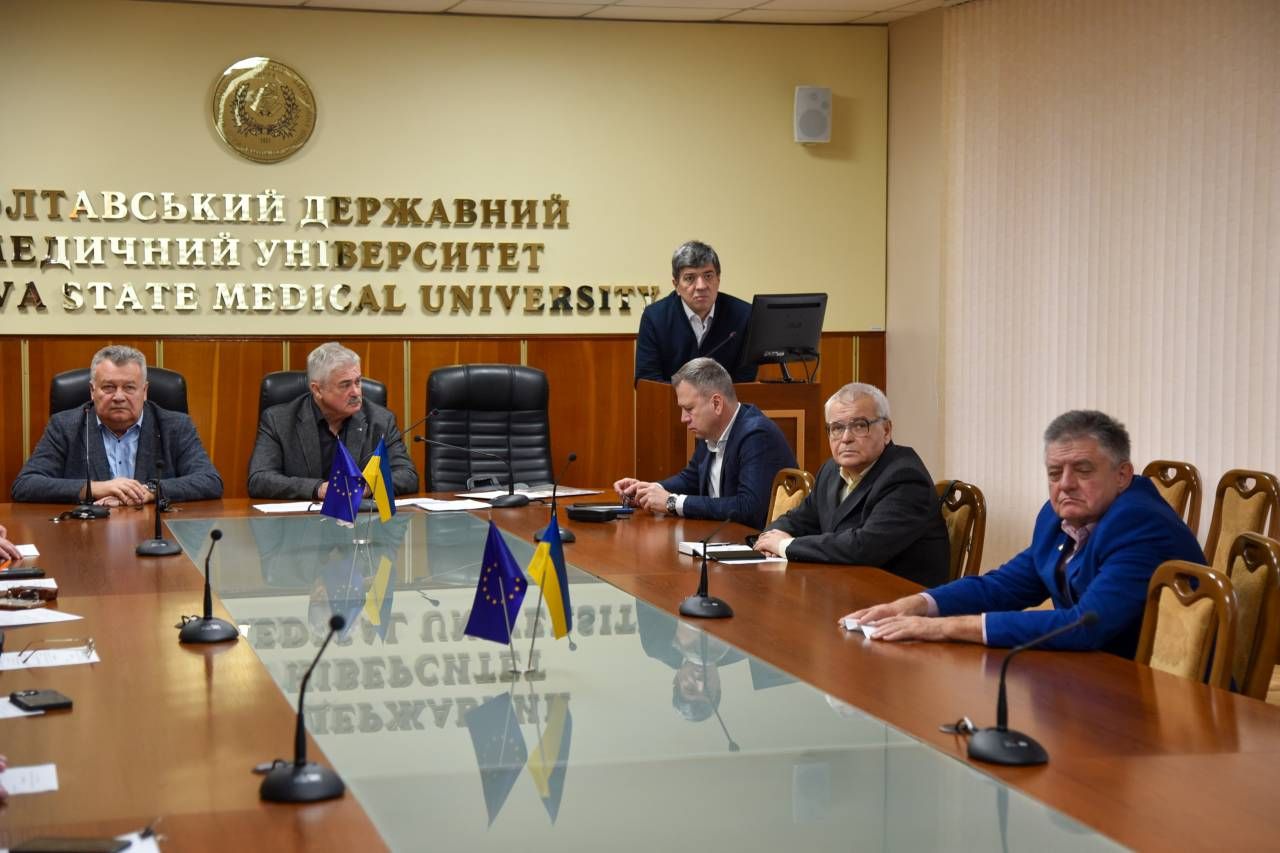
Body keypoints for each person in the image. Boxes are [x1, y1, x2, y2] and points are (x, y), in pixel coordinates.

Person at [847, 410, 1205, 658]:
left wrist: (944, 628)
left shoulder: (1139, 523)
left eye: (1083, 470)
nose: (1065, 485)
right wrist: (918, 604)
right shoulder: (1056, 516)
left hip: (1164, 699)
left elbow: (1086, 626)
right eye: (1054, 473)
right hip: (1096, 674)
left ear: (1123, 475)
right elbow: (1005, 586)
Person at [754, 382, 949, 587]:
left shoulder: (905, 477)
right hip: (842, 587)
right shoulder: (831, 470)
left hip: (895, 596)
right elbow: (798, 520)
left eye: (859, 426)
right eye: (837, 428)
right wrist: (770, 540)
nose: (846, 438)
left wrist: (785, 545)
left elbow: (865, 547)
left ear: (886, 430)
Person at [11, 346, 222, 505]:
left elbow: (209, 481)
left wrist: (148, 491)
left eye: (129, 387)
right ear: (92, 391)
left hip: (153, 533)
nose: (119, 397)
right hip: (87, 536)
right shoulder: (66, 426)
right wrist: (96, 488)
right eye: (109, 387)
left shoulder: (175, 426)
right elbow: (25, 485)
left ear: (144, 391)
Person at [613, 357, 796, 529]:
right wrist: (650, 491)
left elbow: (749, 508)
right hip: (722, 538)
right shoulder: (711, 430)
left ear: (716, 404)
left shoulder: (757, 435)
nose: (683, 418)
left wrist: (672, 502)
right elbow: (691, 479)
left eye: (689, 409)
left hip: (754, 544)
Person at [248, 341, 418, 500]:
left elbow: (407, 475)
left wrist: (367, 487)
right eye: (345, 385)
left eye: (358, 382)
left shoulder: (380, 420)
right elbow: (259, 479)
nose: (356, 392)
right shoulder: (279, 421)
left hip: (359, 520)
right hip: (301, 520)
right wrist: (318, 489)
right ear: (317, 390)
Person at [634, 240, 757, 384]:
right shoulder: (655, 318)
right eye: (690, 278)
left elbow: (745, 379)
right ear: (676, 285)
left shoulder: (743, 315)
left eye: (708, 276)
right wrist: (688, 397)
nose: (701, 286)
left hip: (724, 399)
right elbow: (648, 381)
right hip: (671, 398)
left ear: (718, 279)